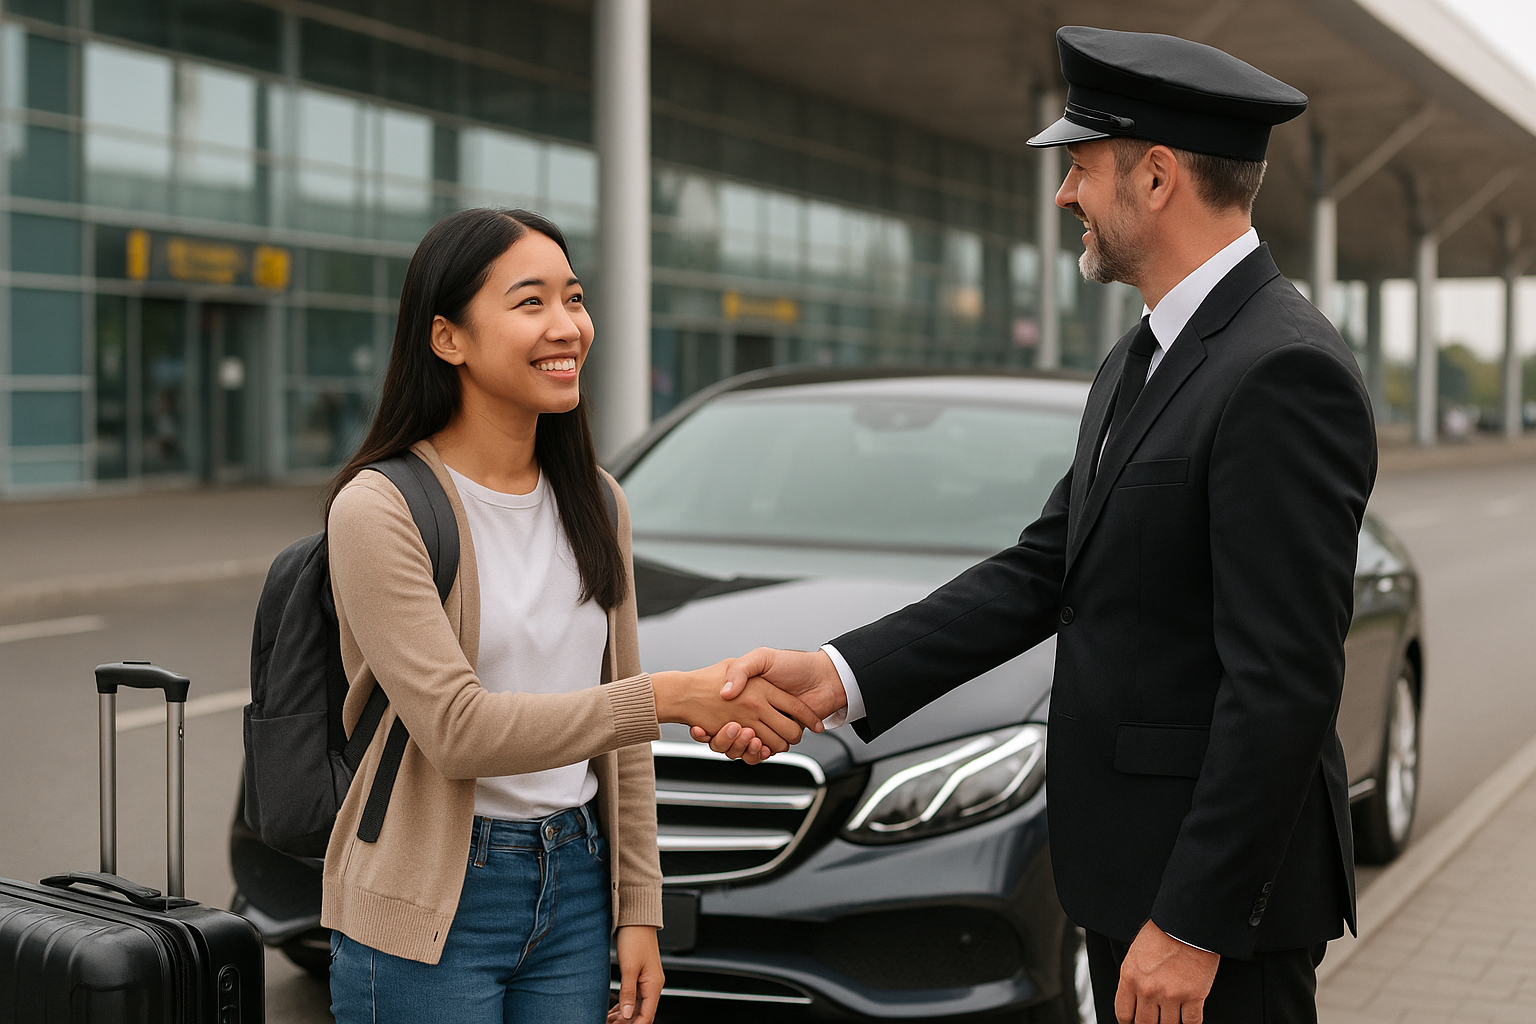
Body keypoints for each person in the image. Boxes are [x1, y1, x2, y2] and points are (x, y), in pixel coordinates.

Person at [699, 26, 1375, 1024]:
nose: (1065, 196)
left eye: (1081, 167)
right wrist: (837, 675)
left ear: (1154, 179)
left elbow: (1283, 683)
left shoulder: (1282, 371)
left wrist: (1193, 924)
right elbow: (1044, 569)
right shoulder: (1145, 356)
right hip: (1130, 878)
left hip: (1216, 915)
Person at [321, 207, 822, 1024]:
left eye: (575, 298)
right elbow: (457, 731)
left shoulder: (596, 502)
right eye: (531, 303)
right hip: (428, 900)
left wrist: (637, 907)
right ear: (447, 338)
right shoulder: (380, 509)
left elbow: (618, 737)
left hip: (574, 884)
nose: (568, 327)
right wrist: (669, 698)